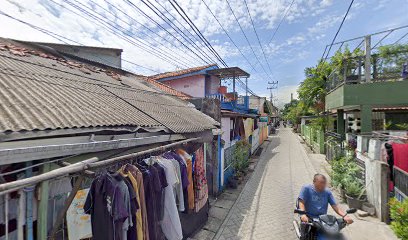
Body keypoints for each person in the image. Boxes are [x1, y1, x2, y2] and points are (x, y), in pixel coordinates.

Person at [298, 174, 353, 239]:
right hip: (309, 217)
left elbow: (335, 206)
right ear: (314, 182)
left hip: (322, 219)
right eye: (319, 186)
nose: (321, 188)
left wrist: (345, 216)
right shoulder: (306, 188)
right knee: (306, 237)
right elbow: (301, 202)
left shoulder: (327, 192)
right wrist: (303, 214)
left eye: (323, 186)